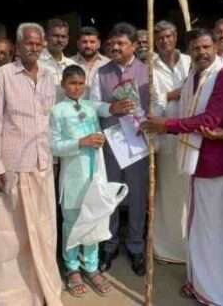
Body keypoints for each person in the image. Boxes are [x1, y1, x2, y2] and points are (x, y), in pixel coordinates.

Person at [143, 28, 223, 305]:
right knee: (199, 228)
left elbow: (209, 120)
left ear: (216, 47)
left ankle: (219, 293)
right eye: (196, 48)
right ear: (189, 51)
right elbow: (181, 108)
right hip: (197, 164)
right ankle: (200, 283)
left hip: (219, 166)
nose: (202, 52)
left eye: (206, 47)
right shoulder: (194, 77)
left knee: (218, 231)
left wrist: (166, 125)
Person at [0, 23, 63, 305]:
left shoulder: (49, 76)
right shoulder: (4, 75)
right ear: (18, 47)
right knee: (11, 236)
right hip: (12, 165)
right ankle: (13, 296)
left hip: (42, 163)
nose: (34, 48)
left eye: (38, 43)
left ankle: (43, 288)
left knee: (44, 231)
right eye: (29, 43)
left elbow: (49, 119)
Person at [90, 22, 151, 276]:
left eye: (121, 43)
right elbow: (92, 104)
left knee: (137, 196)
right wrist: (110, 109)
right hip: (111, 141)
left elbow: (158, 103)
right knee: (111, 193)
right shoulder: (101, 73)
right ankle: (110, 243)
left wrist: (145, 119)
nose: (115, 47)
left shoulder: (148, 71)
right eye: (112, 43)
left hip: (138, 142)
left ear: (134, 45)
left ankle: (136, 246)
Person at [50, 65, 113, 298]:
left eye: (80, 83)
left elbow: (105, 113)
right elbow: (53, 146)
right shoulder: (57, 111)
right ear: (63, 85)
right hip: (73, 177)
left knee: (93, 220)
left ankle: (91, 266)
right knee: (72, 222)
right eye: (72, 83)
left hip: (95, 174)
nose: (77, 88)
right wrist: (81, 142)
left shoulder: (89, 107)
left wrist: (99, 139)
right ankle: (72, 267)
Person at [151, 20, 191, 264]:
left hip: (191, 135)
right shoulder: (150, 66)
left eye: (168, 36)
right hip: (165, 137)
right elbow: (150, 100)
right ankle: (167, 248)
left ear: (176, 37)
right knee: (168, 194)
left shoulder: (190, 61)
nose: (165, 41)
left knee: (190, 194)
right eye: (160, 38)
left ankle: (191, 247)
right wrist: (171, 95)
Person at [40, 18, 78, 101]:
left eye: (63, 37)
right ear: (46, 37)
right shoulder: (36, 63)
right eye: (55, 36)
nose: (60, 40)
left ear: (67, 39)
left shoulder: (72, 65)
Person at [71, 26, 110, 92]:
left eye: (92, 42)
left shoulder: (108, 64)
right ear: (78, 44)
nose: (88, 46)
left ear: (99, 44)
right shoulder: (69, 63)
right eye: (84, 42)